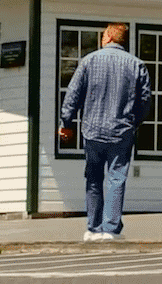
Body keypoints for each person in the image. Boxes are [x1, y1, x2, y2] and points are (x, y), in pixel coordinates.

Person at [59, 23, 151, 242]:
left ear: (109, 36)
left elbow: (73, 95)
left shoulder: (89, 61)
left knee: (93, 178)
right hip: (121, 131)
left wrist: (66, 123)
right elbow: (145, 101)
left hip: (93, 129)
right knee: (116, 178)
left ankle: (92, 227)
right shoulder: (137, 65)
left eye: (102, 35)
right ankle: (110, 228)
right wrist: (133, 123)